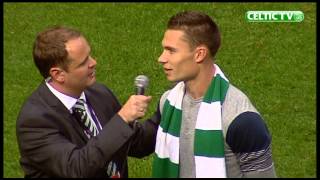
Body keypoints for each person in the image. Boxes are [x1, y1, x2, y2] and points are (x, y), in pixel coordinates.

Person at [16, 26, 161, 178]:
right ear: (58, 74)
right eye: (83, 62)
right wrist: (122, 119)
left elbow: (137, 144)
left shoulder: (99, 93)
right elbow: (77, 168)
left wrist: (167, 109)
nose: (93, 62)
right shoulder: (35, 121)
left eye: (89, 55)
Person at [152, 11, 277, 178]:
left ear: (199, 54)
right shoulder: (168, 102)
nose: (161, 58)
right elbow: (140, 144)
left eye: (171, 51)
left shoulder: (241, 119)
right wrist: (122, 119)